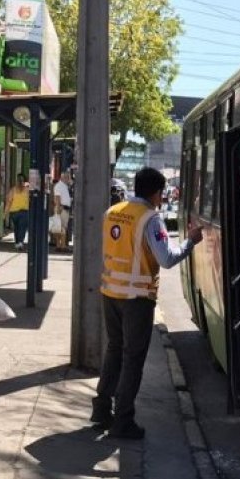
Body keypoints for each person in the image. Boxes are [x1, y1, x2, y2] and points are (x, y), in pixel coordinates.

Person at [91, 167, 203, 438]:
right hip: (136, 299)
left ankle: (102, 409)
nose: (162, 199)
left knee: (114, 351)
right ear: (156, 192)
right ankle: (123, 420)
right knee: (132, 358)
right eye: (162, 193)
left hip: (110, 293)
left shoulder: (113, 212)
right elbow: (167, 259)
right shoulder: (151, 219)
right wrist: (190, 242)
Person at [5, 173, 30, 251]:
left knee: (17, 228)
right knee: (22, 228)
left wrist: (5, 213)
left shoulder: (13, 190)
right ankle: (20, 242)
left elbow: (9, 202)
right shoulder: (27, 190)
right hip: (24, 213)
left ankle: (17, 243)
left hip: (14, 213)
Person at [53, 171, 72, 252]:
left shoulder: (64, 186)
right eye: (67, 177)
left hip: (64, 208)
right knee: (62, 228)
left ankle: (59, 245)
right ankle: (62, 246)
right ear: (63, 177)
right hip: (61, 208)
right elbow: (57, 197)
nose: (69, 179)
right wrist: (58, 207)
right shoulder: (59, 186)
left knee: (60, 228)